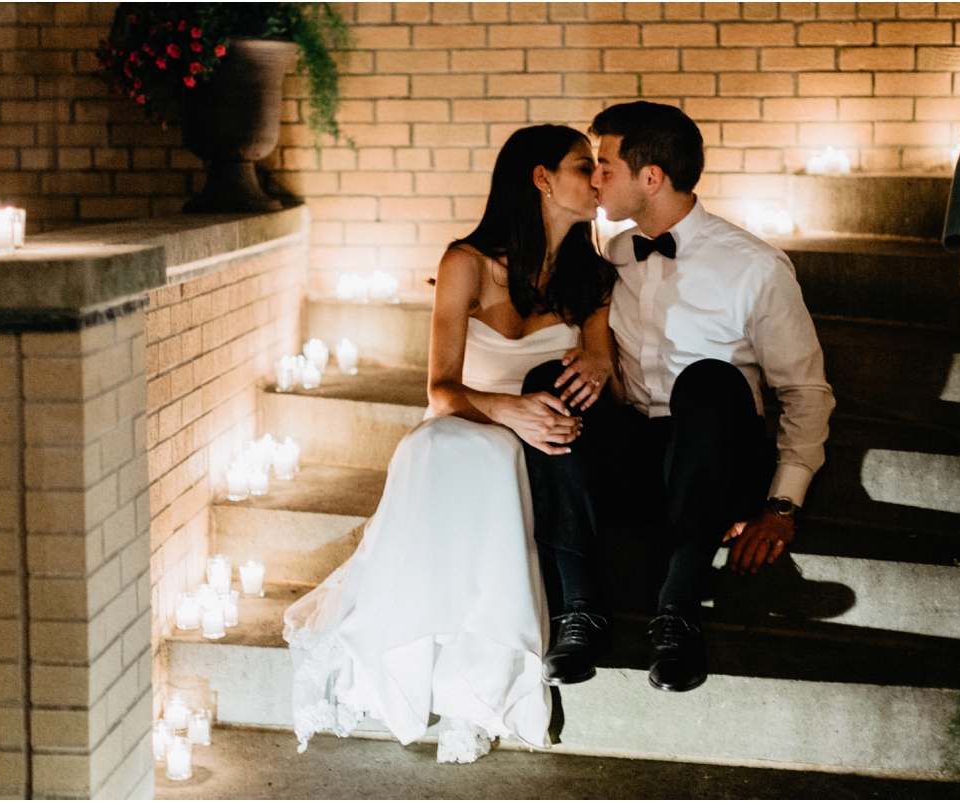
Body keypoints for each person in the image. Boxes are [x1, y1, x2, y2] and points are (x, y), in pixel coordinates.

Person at [283, 124, 617, 763]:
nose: (598, 179)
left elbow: (597, 366)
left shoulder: (593, 277)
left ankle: (476, 693)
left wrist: (597, 356)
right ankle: (432, 668)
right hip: (471, 420)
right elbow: (440, 390)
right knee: (442, 445)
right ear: (542, 179)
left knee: (490, 456)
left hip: (546, 446)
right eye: (584, 166)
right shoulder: (464, 262)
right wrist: (506, 410)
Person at [528, 101, 835, 694]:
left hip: (714, 456)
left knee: (711, 380)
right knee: (547, 382)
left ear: (651, 178)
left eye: (606, 167)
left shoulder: (755, 268)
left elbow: (805, 393)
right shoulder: (613, 255)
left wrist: (782, 506)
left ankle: (679, 611)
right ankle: (580, 609)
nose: (595, 180)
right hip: (636, 455)